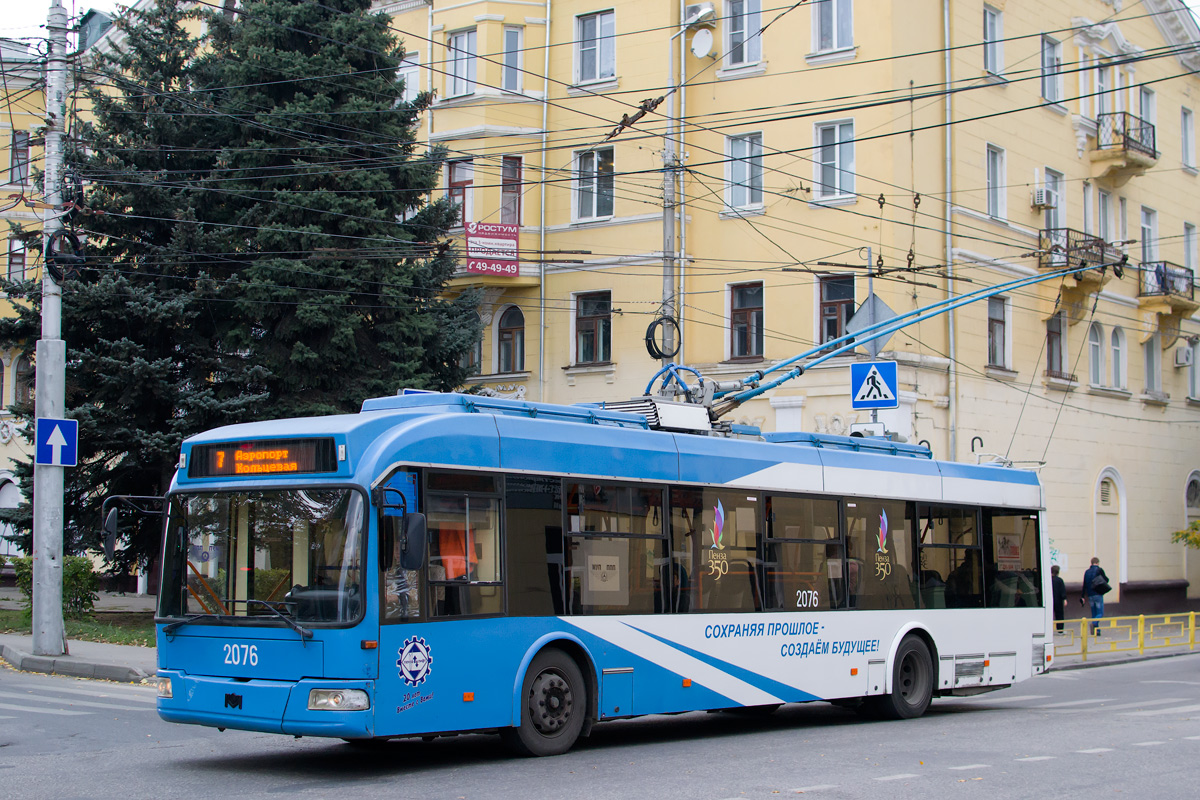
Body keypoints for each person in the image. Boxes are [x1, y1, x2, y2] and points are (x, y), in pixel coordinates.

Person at [1080, 557, 1108, 636]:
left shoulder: (1087, 572)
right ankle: (1094, 623)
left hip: (1090, 595)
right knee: (1100, 613)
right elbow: (1106, 580)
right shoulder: (1099, 570)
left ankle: (1097, 631)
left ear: (1091, 563)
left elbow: (1084, 584)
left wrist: (1082, 596)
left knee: (1094, 613)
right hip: (1098, 594)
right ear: (1098, 563)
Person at [1051, 564, 1066, 633]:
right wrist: (1064, 599)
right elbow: (1062, 590)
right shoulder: (1059, 580)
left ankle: (1048, 629)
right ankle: (1060, 630)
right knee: (1059, 615)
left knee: (1049, 615)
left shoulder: (1048, 580)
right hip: (1058, 600)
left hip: (1050, 600)